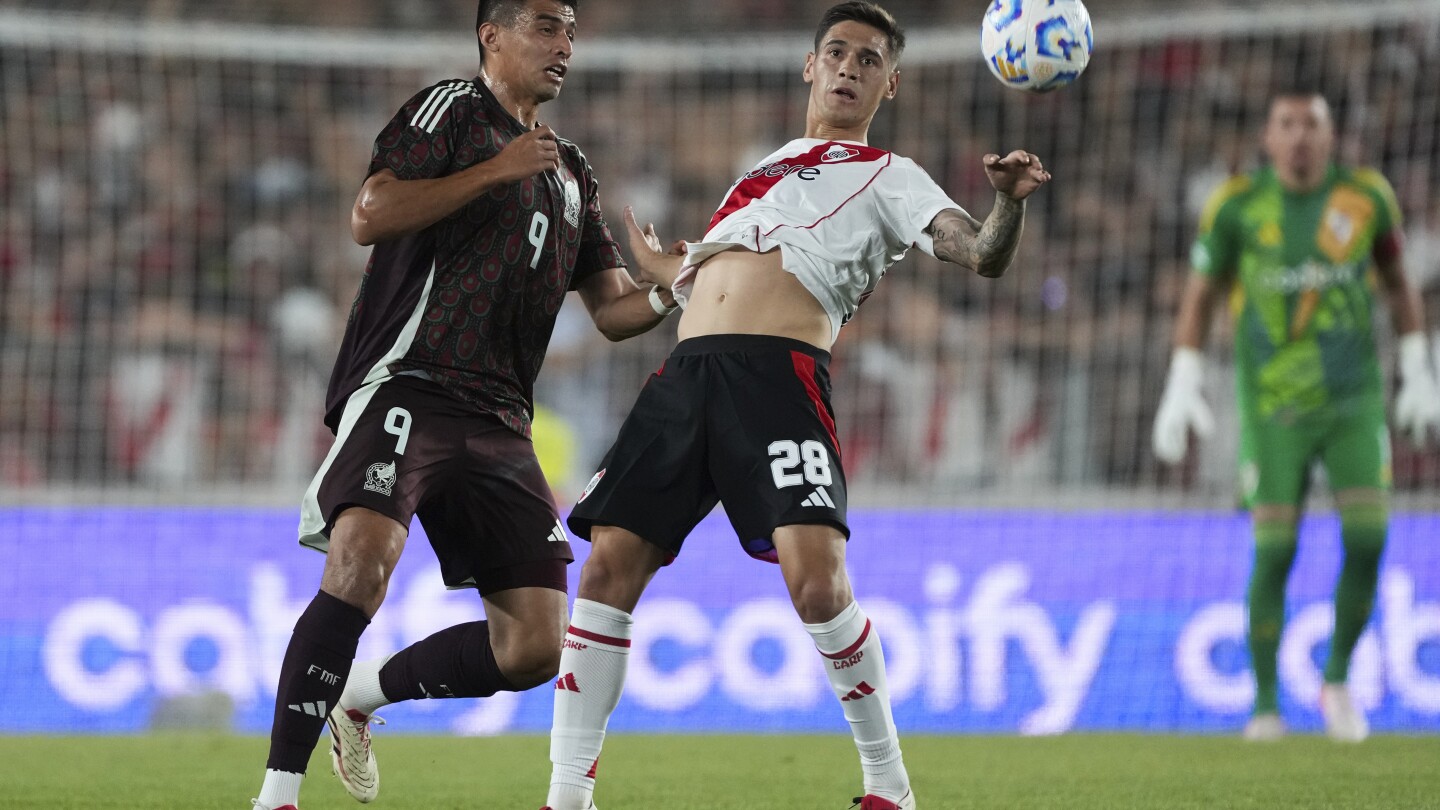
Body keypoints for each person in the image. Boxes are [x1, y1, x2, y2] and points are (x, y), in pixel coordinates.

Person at [541, 4, 1049, 809]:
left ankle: (889, 785)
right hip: (686, 375)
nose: (850, 67)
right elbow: (705, 277)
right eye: (838, 52)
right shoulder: (759, 173)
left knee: (817, 586)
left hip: (779, 378)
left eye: (870, 59)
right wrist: (670, 271)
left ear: (890, 82)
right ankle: (567, 796)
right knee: (606, 569)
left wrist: (1009, 202)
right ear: (810, 67)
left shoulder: (894, 176)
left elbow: (980, 253)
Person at [249, 2, 680, 808]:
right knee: (361, 566)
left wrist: (669, 288)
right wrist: (494, 171)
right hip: (410, 383)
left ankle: (361, 693)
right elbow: (368, 216)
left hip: (500, 419)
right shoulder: (449, 111)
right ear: (493, 34)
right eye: (547, 27)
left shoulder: (572, 170)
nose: (564, 46)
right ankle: (276, 795)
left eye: (572, 33)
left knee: (535, 647)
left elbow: (614, 311)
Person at [1152, 88, 1440, 742]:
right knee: (1276, 546)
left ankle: (1336, 681)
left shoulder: (1367, 197)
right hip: (1272, 407)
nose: (1300, 136)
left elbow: (1398, 285)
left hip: (1352, 400)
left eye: (1312, 124)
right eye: (1287, 124)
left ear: (1331, 135)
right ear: (1267, 137)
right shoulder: (1236, 206)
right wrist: (1183, 380)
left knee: (1368, 537)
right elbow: (1199, 295)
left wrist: (1420, 368)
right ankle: (1263, 705)